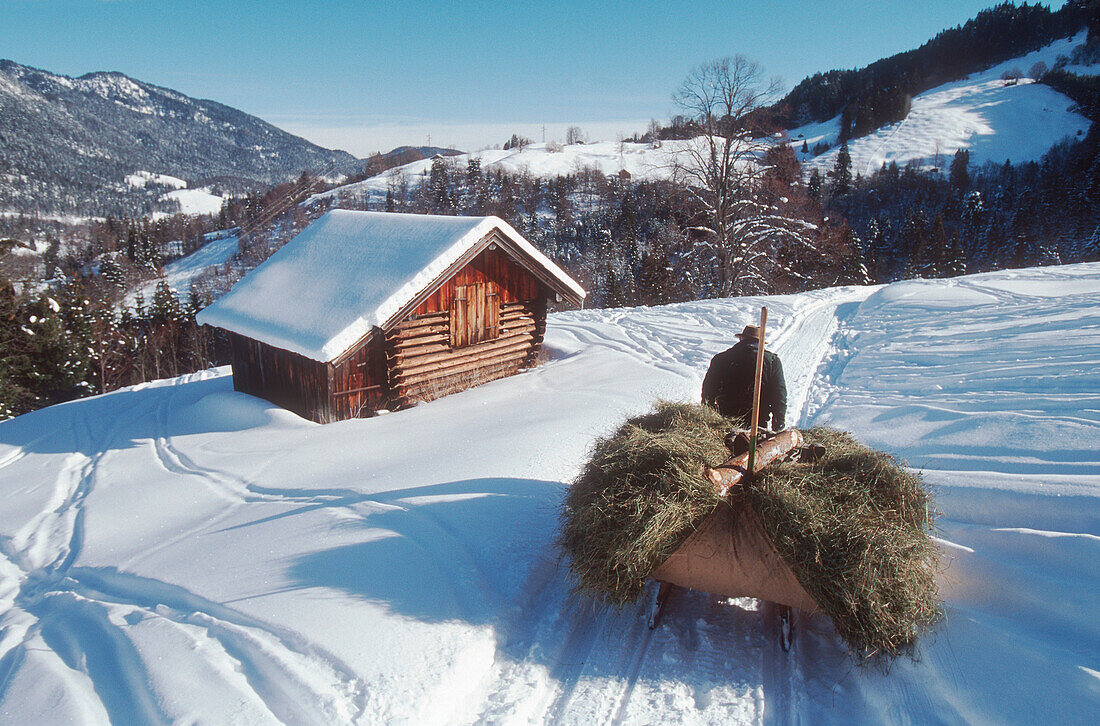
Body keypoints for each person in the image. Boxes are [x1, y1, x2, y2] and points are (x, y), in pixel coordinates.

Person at [702, 324, 787, 431]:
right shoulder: (772, 361)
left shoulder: (721, 358)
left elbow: (708, 389)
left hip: (724, 421)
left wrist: (708, 414)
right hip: (757, 423)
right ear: (760, 343)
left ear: (741, 339)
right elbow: (779, 394)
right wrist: (778, 422)